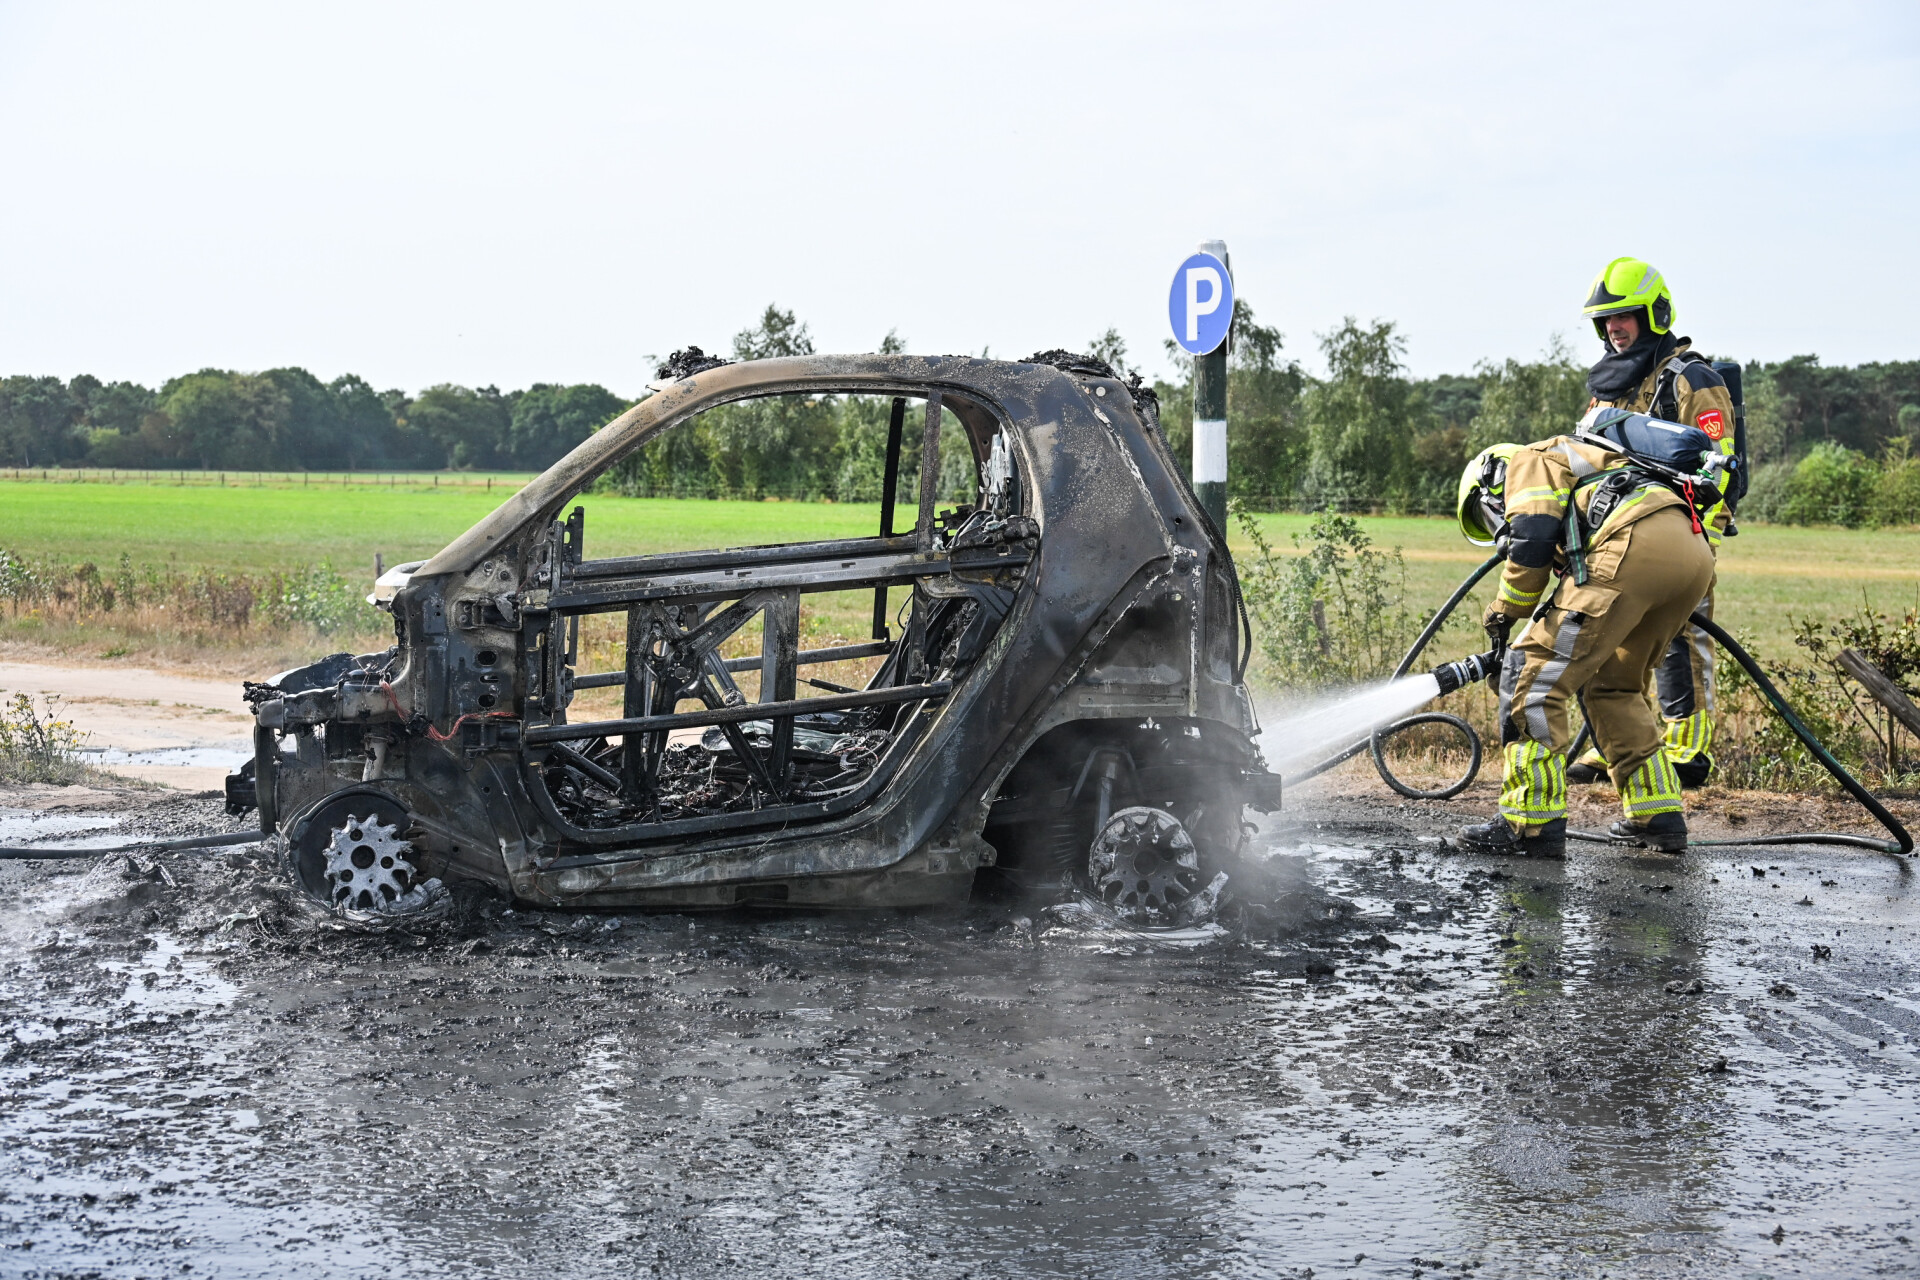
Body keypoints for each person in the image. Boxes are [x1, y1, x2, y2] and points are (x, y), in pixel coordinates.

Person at [1453, 432, 1716, 857]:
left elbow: (1532, 537)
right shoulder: (1590, 463)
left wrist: (1504, 612)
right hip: (1691, 552)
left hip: (1631, 543)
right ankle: (1657, 815)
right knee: (1612, 686)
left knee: (1531, 679)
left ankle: (1529, 824)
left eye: (1488, 517)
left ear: (1489, 486)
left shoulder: (1528, 460)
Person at [1567, 257, 1738, 788]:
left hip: (1679, 535)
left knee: (1681, 640)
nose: (1613, 328)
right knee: (1613, 638)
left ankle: (1687, 750)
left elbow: (1721, 467)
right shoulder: (1609, 384)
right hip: (1614, 539)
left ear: (1654, 315)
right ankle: (1620, 746)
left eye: (1624, 316)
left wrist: (1697, 535)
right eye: (1606, 320)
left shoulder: (1690, 379)